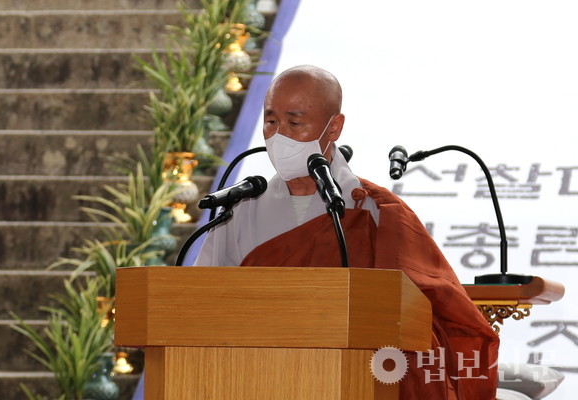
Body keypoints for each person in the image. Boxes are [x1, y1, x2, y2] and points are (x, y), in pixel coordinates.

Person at [194, 65, 499, 399]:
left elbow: (434, 309)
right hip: (254, 379)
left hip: (359, 381)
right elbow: (200, 304)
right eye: (270, 121)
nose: (278, 135)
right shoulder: (241, 210)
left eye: (294, 123)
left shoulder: (376, 211)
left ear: (334, 127)